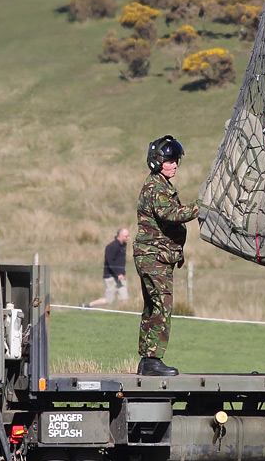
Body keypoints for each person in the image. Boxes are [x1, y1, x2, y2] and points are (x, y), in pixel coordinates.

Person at [134, 135, 200, 376]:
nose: (174, 165)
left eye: (176, 161)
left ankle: (147, 360)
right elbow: (171, 214)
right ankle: (152, 359)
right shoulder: (156, 188)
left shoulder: (161, 185)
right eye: (169, 160)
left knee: (153, 306)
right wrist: (201, 206)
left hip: (155, 256)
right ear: (157, 161)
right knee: (162, 305)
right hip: (153, 257)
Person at [83, 228, 130, 309]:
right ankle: (87, 305)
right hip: (110, 277)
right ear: (120, 236)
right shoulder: (112, 246)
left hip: (121, 277)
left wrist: (122, 274)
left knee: (124, 297)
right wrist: (117, 274)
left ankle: (123, 314)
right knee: (109, 300)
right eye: (126, 236)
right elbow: (110, 261)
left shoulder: (123, 245)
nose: (128, 238)